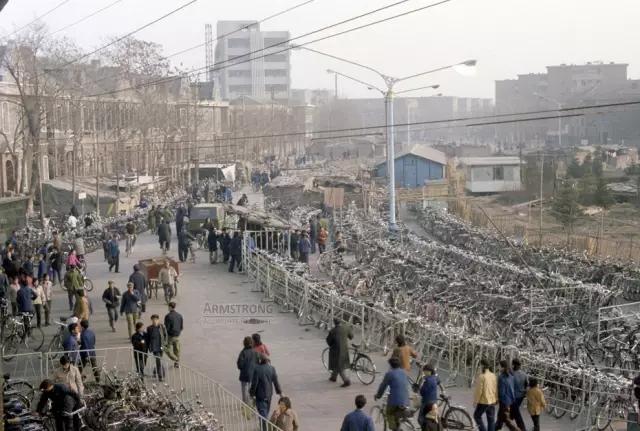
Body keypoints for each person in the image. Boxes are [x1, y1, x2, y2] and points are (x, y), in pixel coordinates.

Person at [374, 357, 410, 431]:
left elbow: (383, 386)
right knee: (396, 414)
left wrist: (378, 395)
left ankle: (395, 429)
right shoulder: (404, 372)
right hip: (405, 399)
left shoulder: (389, 374)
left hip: (395, 400)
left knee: (389, 413)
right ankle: (398, 426)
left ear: (390, 365)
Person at [251, 353, 282, 431]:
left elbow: (254, 384)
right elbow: (276, 382)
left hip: (260, 397)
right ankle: (264, 427)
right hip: (269, 396)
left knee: (263, 416)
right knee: (265, 414)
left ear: (259, 360)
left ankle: (264, 428)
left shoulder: (257, 369)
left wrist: (252, 394)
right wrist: (280, 393)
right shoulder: (272, 368)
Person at [326, 318, 353, 387]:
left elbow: (329, 342)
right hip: (345, 350)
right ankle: (333, 377)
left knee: (339, 366)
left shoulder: (333, 331)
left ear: (334, 323)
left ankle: (346, 381)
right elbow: (351, 336)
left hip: (336, 351)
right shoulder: (346, 328)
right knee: (338, 364)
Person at [473, 359, 498, 431]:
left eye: (479, 365)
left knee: (477, 416)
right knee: (491, 419)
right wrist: (496, 398)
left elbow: (479, 391)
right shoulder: (493, 375)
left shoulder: (482, 376)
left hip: (484, 401)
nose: (479, 367)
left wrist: (475, 401)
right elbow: (495, 388)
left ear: (482, 366)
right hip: (492, 400)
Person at [495, 360, 521, 431]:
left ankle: (515, 430)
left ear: (502, 367)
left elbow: (502, 391)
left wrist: (498, 399)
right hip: (510, 399)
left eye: (499, 366)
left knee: (503, 418)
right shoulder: (511, 375)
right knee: (502, 417)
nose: (498, 367)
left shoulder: (501, 377)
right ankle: (497, 428)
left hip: (504, 400)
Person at [146, 314, 167, 382]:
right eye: (153, 320)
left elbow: (165, 336)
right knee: (158, 360)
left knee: (159, 360)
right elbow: (148, 338)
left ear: (158, 320)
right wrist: (148, 347)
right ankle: (161, 376)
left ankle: (155, 371)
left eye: (156, 320)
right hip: (154, 347)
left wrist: (165, 344)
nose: (154, 321)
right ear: (151, 320)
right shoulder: (149, 328)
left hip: (161, 347)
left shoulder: (162, 327)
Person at [237, 336, 258, 404]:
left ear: (244, 343)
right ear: (252, 343)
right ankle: (252, 404)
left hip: (244, 375)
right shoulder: (255, 352)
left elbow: (239, 364)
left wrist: (242, 368)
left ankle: (245, 405)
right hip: (253, 375)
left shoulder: (243, 352)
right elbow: (258, 362)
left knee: (245, 392)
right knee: (252, 391)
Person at [510, 359, 528, 431]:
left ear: (514, 365)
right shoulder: (524, 374)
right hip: (521, 395)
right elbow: (527, 384)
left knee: (516, 412)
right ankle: (510, 418)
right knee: (515, 409)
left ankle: (522, 428)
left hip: (514, 396)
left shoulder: (511, 374)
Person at [164, 301, 183, 368]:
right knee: (177, 350)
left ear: (170, 307)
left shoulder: (168, 316)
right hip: (177, 335)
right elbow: (181, 327)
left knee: (167, 349)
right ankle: (177, 363)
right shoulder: (179, 315)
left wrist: (165, 335)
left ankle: (176, 359)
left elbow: (166, 328)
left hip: (170, 336)